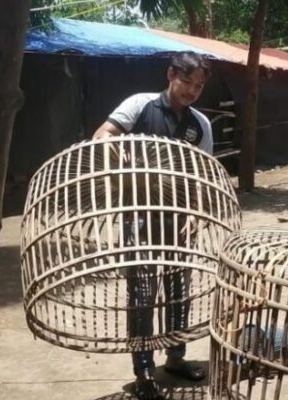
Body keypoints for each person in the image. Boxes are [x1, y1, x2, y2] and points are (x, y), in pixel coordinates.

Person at [93, 51, 213, 400]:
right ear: (171, 74)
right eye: (187, 82)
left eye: (199, 86)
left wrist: (195, 212)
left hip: (178, 219)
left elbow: (201, 176)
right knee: (142, 296)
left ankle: (176, 359)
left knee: (179, 292)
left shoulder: (199, 124)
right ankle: (144, 371)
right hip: (140, 215)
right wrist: (124, 158)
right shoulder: (140, 105)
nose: (192, 91)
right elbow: (103, 136)